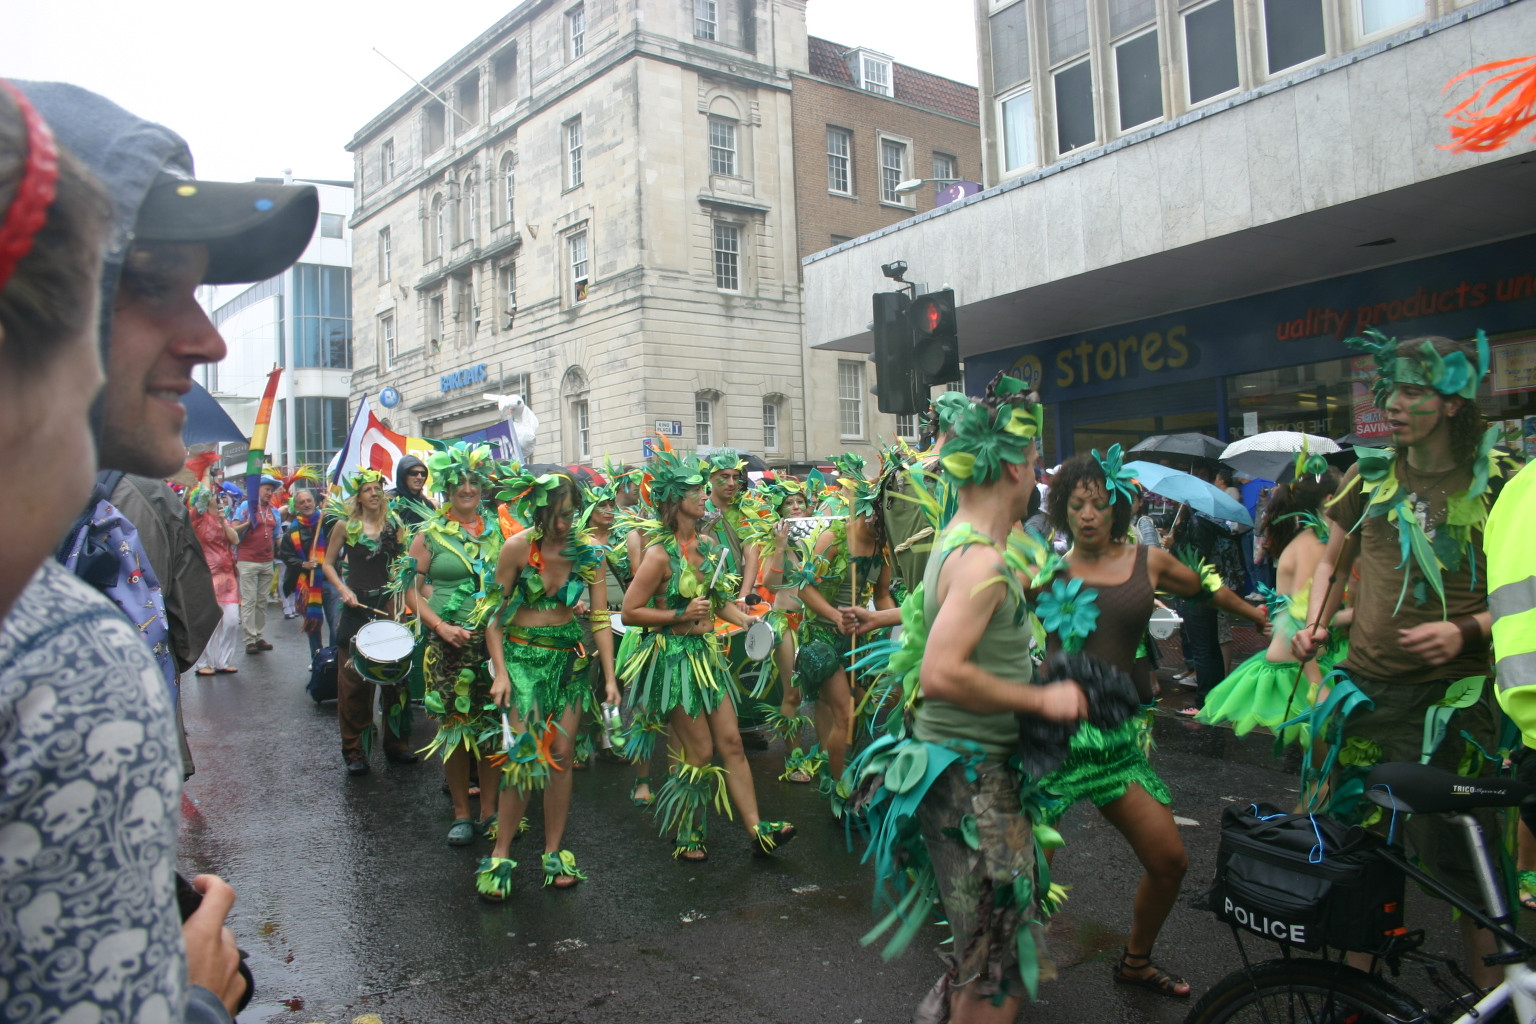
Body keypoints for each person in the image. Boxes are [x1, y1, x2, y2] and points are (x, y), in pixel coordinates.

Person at [5, 78, 316, 1023]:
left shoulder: (82, 570)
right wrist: (189, 1003)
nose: (208, 336)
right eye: (147, 282)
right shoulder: (61, 659)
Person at [846, 379, 1087, 1024]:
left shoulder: (959, 541)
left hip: (963, 773)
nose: (1037, 467)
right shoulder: (980, 561)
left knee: (986, 947)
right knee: (996, 970)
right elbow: (943, 670)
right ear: (1012, 464)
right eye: (1034, 456)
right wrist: (1044, 700)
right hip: (974, 783)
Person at [1293, 330, 1516, 989]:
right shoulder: (1372, 472)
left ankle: (1493, 999)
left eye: (1413, 390)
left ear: (1452, 401)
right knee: (1360, 853)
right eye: (1389, 388)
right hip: (1367, 698)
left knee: (1466, 863)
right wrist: (1310, 628)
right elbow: (1332, 557)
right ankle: (1354, 995)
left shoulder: (1499, 479)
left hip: (1456, 703)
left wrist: (1470, 629)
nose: (1392, 402)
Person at [1034, 447, 1267, 999]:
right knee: (1025, 878)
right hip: (1053, 742)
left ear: (1115, 506)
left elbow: (1207, 589)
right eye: (1076, 505)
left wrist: (1260, 615)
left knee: (1169, 861)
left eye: (1097, 504)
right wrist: (888, 617)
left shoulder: (1148, 561)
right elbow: (966, 602)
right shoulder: (1049, 570)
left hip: (1115, 744)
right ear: (1063, 510)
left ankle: (1135, 963)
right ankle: (991, 976)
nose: (1087, 515)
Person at [620, 450, 796, 862]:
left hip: (706, 654)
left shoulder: (710, 545)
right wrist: (680, 613)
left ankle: (758, 830)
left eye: (703, 488)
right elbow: (630, 612)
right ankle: (688, 828)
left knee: (732, 742)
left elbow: (717, 604)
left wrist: (748, 622)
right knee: (698, 751)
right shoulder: (659, 555)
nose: (704, 496)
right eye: (696, 490)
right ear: (675, 499)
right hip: (673, 659)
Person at [477, 471, 618, 898]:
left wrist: (609, 676)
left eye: (569, 515)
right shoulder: (517, 547)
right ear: (538, 511)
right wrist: (500, 672)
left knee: (560, 754)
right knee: (526, 754)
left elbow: (598, 617)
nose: (562, 525)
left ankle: (554, 851)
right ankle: (501, 854)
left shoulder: (589, 552)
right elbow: (494, 617)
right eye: (554, 515)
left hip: (570, 661)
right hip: (523, 660)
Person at [1198, 465, 1348, 739]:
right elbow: (1301, 617)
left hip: (1303, 665)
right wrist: (1316, 682)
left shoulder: (1314, 541)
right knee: (1322, 770)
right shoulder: (1314, 545)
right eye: (1347, 494)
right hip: (1300, 671)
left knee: (1322, 768)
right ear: (1330, 500)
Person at [411, 443, 505, 843]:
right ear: (448, 488)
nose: (467, 488)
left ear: (482, 487)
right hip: (448, 645)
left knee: (490, 729)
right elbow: (410, 592)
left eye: (473, 481)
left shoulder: (502, 530)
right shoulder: (428, 535)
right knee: (454, 729)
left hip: (495, 643)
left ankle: (490, 810)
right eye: (459, 482)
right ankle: (461, 813)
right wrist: (439, 626)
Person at [793, 457, 893, 781]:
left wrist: (892, 628)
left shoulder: (884, 547)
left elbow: (881, 595)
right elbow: (804, 590)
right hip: (822, 637)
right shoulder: (834, 538)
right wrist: (836, 615)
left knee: (865, 712)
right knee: (845, 714)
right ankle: (838, 790)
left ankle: (844, 771)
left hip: (857, 636)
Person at [322, 469, 416, 776]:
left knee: (395, 677)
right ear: (358, 497)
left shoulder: (395, 525)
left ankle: (396, 745)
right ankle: (355, 751)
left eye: (378, 488)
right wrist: (343, 590)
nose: (375, 494)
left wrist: (402, 595)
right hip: (357, 607)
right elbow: (327, 563)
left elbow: (405, 563)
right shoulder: (344, 526)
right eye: (368, 490)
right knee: (353, 683)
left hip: (388, 605)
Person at [189, 472, 241, 675]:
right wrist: (206, 469)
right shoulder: (198, 519)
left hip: (228, 577)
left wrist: (222, 521)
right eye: (213, 495)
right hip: (208, 577)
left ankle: (222, 660)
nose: (216, 498)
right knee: (208, 623)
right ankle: (204, 664)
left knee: (230, 621)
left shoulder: (222, 519)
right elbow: (202, 494)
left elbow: (235, 540)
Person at [280, 486, 338, 660]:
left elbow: (344, 523)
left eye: (309, 501)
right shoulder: (292, 532)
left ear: (314, 502)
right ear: (296, 507)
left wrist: (333, 503)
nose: (306, 504)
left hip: (329, 579)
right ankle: (318, 658)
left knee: (335, 623)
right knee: (313, 625)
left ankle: (334, 657)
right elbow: (285, 555)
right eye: (301, 502)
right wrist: (303, 564)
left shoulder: (327, 522)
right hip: (307, 584)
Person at [230, 474, 279, 654]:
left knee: (262, 601)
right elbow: (233, 530)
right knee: (249, 600)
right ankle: (250, 639)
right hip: (247, 560)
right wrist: (248, 523)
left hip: (267, 562)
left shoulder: (273, 511)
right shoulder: (246, 507)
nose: (269, 493)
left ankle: (259, 635)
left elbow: (276, 536)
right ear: (257, 489)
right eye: (267, 489)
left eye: (271, 491)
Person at [391, 454, 436, 530]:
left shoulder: (427, 505)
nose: (419, 477)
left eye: (423, 474)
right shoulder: (389, 500)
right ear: (403, 475)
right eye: (413, 473)